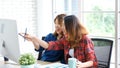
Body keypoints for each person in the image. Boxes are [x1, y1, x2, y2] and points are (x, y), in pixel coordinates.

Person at [21, 15, 98, 68]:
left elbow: (92, 61)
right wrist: (34, 38)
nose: (62, 28)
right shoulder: (66, 39)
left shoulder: (85, 39)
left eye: (63, 25)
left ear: (70, 27)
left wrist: (81, 65)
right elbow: (50, 45)